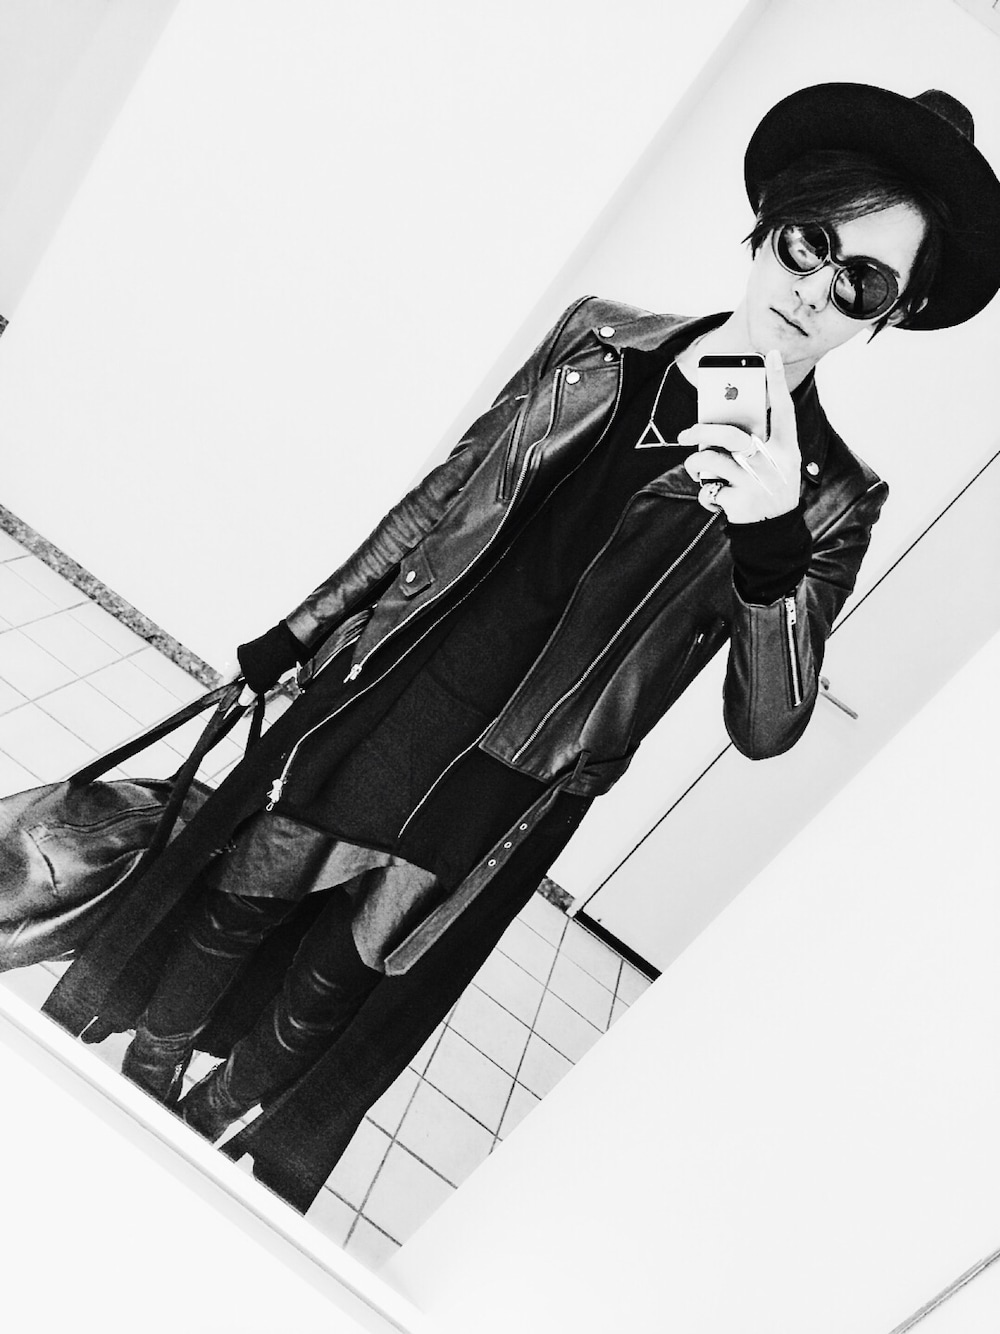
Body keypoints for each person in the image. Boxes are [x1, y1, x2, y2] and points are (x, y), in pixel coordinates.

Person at [42, 82, 1000, 1213]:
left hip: (512, 774)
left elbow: (766, 725)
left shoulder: (832, 498)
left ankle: (206, 1131)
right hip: (387, 683)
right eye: (809, 243)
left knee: (340, 975)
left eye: (864, 282)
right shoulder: (600, 334)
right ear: (768, 226)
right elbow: (444, 495)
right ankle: (145, 1072)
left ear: (892, 313)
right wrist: (300, 629)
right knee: (237, 895)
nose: (816, 290)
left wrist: (769, 543)